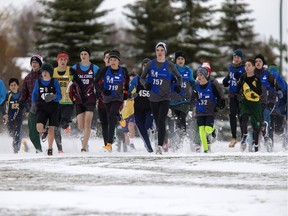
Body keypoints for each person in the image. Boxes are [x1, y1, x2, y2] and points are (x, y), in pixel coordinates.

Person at [140, 42, 182, 154]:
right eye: (158, 50)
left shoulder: (170, 65)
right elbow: (142, 78)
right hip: (153, 97)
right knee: (158, 123)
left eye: (162, 50)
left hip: (165, 97)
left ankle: (159, 146)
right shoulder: (151, 64)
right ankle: (163, 139)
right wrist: (146, 84)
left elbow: (179, 77)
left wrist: (178, 86)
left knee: (161, 120)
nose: (159, 52)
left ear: (165, 52)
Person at [94, 50, 129, 152]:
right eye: (111, 59)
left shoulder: (123, 71)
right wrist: (103, 90)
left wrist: (125, 95)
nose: (113, 61)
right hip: (107, 98)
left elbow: (126, 83)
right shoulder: (105, 70)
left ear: (118, 61)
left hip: (117, 98)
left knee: (110, 117)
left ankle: (109, 143)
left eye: (115, 60)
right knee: (112, 116)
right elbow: (95, 82)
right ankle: (120, 117)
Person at [53, 51, 85, 153]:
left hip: (68, 102)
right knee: (55, 127)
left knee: (63, 122)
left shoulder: (70, 70)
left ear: (67, 61)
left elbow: (79, 83)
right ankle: (60, 149)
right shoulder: (53, 72)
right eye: (61, 59)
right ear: (57, 60)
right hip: (56, 103)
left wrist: (81, 94)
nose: (63, 61)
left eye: (65, 60)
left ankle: (66, 125)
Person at [71, 47, 99, 152]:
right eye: (82, 54)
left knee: (87, 123)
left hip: (90, 98)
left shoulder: (94, 68)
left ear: (89, 56)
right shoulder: (75, 67)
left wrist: (99, 96)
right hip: (79, 99)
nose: (83, 56)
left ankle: (84, 147)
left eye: (85, 54)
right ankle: (84, 138)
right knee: (80, 126)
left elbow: (99, 83)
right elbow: (71, 83)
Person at [193, 63, 225, 153]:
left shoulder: (212, 84)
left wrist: (220, 103)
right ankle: (206, 150)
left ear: (206, 75)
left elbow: (219, 95)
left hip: (210, 111)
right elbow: (192, 97)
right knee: (201, 130)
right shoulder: (196, 85)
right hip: (200, 111)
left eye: (201, 75)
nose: (199, 77)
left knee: (208, 129)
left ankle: (213, 130)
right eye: (198, 75)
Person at [31, 63, 62, 155]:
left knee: (52, 128)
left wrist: (53, 96)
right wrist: (33, 104)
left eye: (46, 72)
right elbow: (34, 94)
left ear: (50, 73)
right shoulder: (38, 82)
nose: (44, 73)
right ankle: (46, 131)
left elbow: (60, 95)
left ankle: (50, 149)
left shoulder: (54, 81)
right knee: (39, 128)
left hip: (53, 108)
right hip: (42, 108)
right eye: (43, 71)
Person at [167, 50, 195, 151]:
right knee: (174, 121)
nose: (180, 60)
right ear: (175, 60)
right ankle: (174, 140)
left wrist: (196, 90)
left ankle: (182, 138)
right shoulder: (171, 69)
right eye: (178, 59)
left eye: (182, 59)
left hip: (185, 100)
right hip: (173, 100)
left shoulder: (188, 71)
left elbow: (192, 82)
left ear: (185, 60)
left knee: (182, 118)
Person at [254, 54, 282, 149]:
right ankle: (254, 142)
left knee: (266, 116)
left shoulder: (267, 74)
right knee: (256, 121)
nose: (258, 63)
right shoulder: (251, 73)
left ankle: (267, 139)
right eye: (256, 61)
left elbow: (275, 83)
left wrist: (278, 90)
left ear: (263, 63)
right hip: (256, 101)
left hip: (270, 100)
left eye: (260, 61)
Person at [236, 59, 262, 152]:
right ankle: (244, 135)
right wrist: (237, 95)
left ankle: (256, 146)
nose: (246, 67)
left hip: (255, 103)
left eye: (249, 65)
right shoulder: (243, 77)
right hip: (245, 102)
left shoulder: (257, 78)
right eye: (245, 65)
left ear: (254, 67)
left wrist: (249, 83)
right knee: (244, 117)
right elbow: (238, 87)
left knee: (256, 126)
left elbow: (259, 92)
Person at [129, 58, 154, 153]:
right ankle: (149, 147)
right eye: (144, 66)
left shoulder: (153, 80)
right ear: (142, 67)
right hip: (138, 109)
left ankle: (153, 130)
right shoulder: (137, 79)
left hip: (149, 109)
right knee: (142, 130)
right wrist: (131, 95)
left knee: (148, 125)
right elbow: (128, 91)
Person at [19, 54, 43, 153]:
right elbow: (24, 94)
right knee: (32, 134)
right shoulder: (27, 78)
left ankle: (55, 146)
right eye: (32, 62)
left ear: (40, 64)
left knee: (42, 128)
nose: (34, 64)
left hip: (44, 107)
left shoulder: (44, 76)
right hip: (31, 107)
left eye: (36, 62)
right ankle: (39, 150)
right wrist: (20, 103)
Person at [222, 49, 245, 148]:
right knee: (232, 115)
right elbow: (230, 77)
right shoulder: (230, 67)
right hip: (232, 95)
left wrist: (241, 77)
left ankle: (244, 137)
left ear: (241, 59)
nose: (236, 59)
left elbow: (248, 79)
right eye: (234, 57)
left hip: (241, 95)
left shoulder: (244, 67)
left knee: (241, 116)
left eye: (238, 57)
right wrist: (226, 80)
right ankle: (234, 138)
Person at [3, 78, 24, 153]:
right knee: (11, 132)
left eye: (15, 85)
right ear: (9, 87)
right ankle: (14, 142)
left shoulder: (22, 95)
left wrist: (26, 109)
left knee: (17, 132)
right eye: (11, 85)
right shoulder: (8, 95)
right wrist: (4, 114)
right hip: (9, 118)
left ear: (18, 86)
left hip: (19, 117)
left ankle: (16, 148)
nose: (13, 86)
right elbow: (2, 104)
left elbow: (26, 103)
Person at [96, 50, 110, 146]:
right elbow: (96, 85)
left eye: (111, 57)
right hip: (102, 101)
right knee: (104, 124)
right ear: (104, 59)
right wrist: (99, 96)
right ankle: (107, 145)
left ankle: (112, 139)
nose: (109, 59)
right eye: (107, 57)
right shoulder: (100, 72)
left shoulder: (119, 71)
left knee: (112, 123)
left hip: (115, 102)